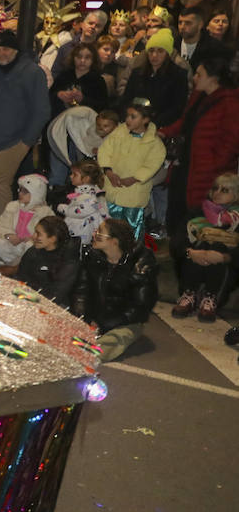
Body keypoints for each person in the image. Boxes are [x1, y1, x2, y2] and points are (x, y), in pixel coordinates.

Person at [158, 54, 239, 275]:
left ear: (213, 78)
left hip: (208, 174)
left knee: (198, 220)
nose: (194, 78)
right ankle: (181, 267)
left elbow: (231, 142)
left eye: (199, 74)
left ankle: (196, 275)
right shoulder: (198, 96)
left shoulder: (230, 103)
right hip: (186, 166)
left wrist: (214, 165)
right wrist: (164, 132)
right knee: (177, 216)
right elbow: (185, 122)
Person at [0, 30, 50, 234]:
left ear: (16, 50)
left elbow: (42, 110)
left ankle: (3, 233)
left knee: (1, 184)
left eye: (6, 49)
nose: (2, 53)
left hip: (15, 140)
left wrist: (27, 141)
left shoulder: (32, 72)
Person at [74, 218, 158, 363]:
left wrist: (104, 324)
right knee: (69, 326)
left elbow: (141, 306)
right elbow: (81, 290)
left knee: (116, 338)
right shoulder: (93, 257)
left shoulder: (141, 263)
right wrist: (83, 318)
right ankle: (77, 347)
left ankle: (89, 354)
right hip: (95, 317)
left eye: (100, 233)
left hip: (124, 321)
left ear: (115, 241)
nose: (94, 234)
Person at [172, 173, 239, 322]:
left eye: (224, 190)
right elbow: (177, 242)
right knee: (202, 242)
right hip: (193, 261)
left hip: (223, 267)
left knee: (218, 244)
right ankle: (189, 295)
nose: (217, 193)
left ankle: (210, 298)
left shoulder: (237, 219)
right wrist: (191, 252)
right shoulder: (197, 212)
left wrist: (225, 257)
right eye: (215, 188)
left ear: (236, 194)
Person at [97, 99, 165, 242]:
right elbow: (105, 151)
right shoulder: (118, 133)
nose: (127, 119)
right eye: (127, 115)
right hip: (113, 188)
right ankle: (111, 250)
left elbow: (151, 165)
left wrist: (134, 178)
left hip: (134, 192)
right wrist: (108, 171)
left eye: (133, 117)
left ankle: (132, 252)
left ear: (145, 119)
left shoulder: (154, 144)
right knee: (110, 223)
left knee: (131, 225)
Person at [0, 173, 53, 272]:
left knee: (30, 247)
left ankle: (17, 268)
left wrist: (31, 238)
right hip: (13, 246)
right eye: (20, 190)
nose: (20, 193)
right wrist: (8, 235)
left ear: (36, 194)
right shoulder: (12, 206)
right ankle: (13, 267)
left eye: (25, 191)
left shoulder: (45, 212)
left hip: (30, 247)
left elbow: (50, 236)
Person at [15, 215, 79, 308]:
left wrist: (25, 297)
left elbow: (55, 297)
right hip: (28, 300)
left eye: (38, 234)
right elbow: (19, 279)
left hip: (55, 307)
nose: (33, 236)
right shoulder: (32, 252)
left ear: (53, 238)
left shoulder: (68, 260)